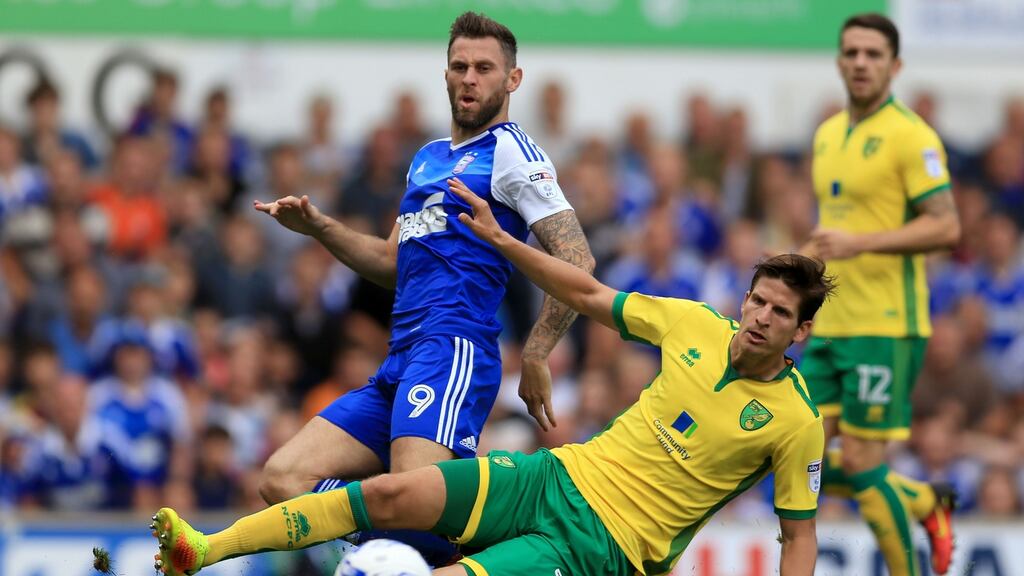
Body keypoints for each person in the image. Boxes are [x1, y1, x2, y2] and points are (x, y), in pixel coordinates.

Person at [151, 183, 831, 575]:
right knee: (390, 492)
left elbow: (798, 535)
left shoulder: (795, 423)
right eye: (758, 300)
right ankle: (202, 549)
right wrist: (508, 244)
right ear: (744, 298)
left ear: (799, 332)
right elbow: (590, 295)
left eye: (780, 313)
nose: (762, 317)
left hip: (605, 548)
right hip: (557, 477)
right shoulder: (693, 324)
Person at [251, 11, 593, 563]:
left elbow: (577, 257)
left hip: (452, 348)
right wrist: (320, 228)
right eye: (459, 66)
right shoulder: (429, 158)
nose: (469, 78)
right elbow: (391, 261)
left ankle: (519, 550)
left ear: (513, 79)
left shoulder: (512, 152)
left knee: (409, 501)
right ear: (446, 74)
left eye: (484, 67)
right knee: (283, 480)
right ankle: (437, 553)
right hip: (401, 359)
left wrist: (536, 350)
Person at [801, 13, 961, 576]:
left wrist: (860, 242)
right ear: (840, 61)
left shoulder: (911, 135)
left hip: (886, 326)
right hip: (832, 325)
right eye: (852, 53)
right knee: (793, 453)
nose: (861, 63)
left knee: (865, 466)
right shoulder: (826, 134)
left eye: (873, 54)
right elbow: (835, 229)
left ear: (894, 66)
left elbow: (946, 226)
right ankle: (921, 501)